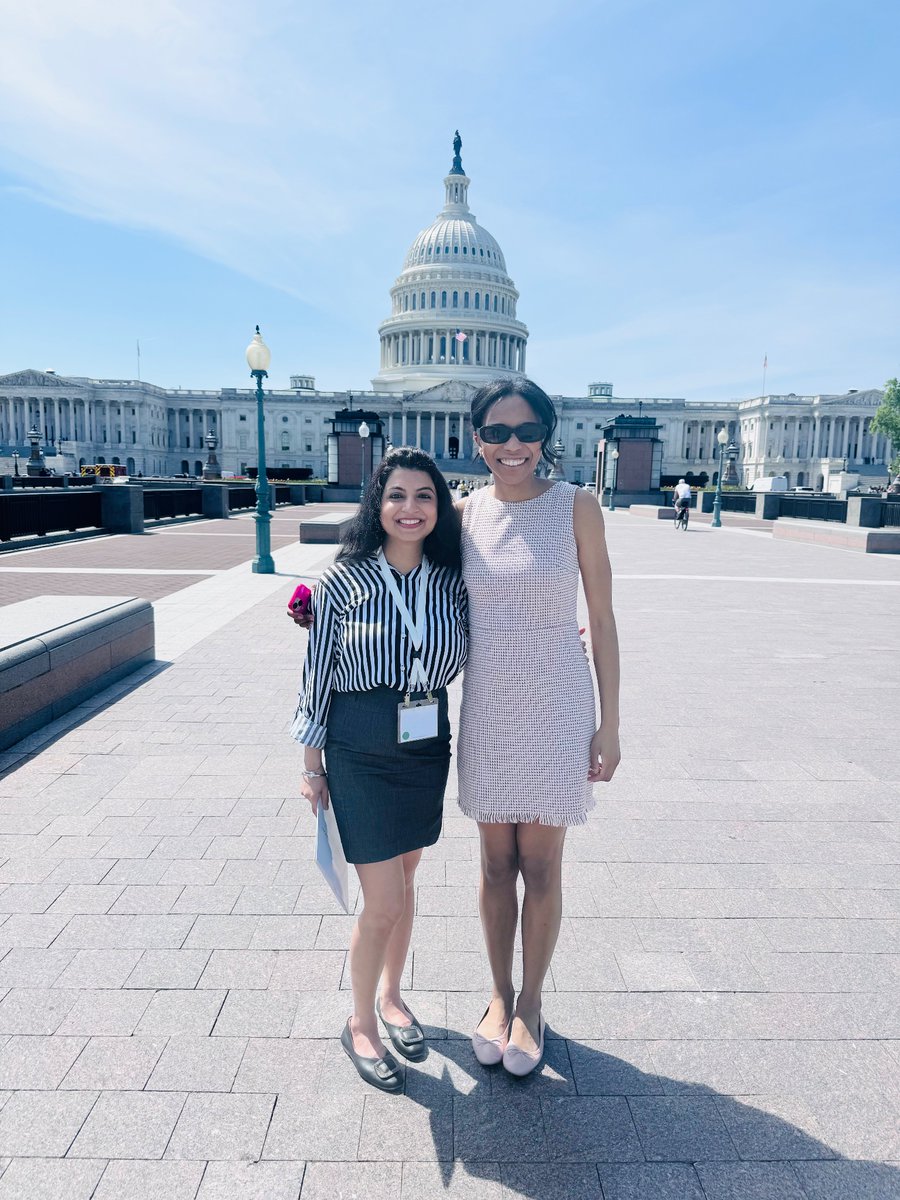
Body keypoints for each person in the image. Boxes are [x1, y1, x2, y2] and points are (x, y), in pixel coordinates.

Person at [292, 447, 468, 1092]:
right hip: (359, 744)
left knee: (408, 874)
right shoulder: (343, 583)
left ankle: (393, 997)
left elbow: (491, 641)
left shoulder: (453, 581)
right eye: (397, 495)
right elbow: (316, 678)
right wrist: (312, 765)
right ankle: (359, 1021)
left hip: (425, 743)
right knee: (382, 900)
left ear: (439, 507)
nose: (410, 508)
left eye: (425, 496)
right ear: (378, 504)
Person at [458, 377, 620, 1077]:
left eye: (526, 431)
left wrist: (611, 722)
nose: (512, 445)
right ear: (477, 440)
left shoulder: (578, 506)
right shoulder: (462, 514)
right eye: (497, 432)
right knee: (495, 863)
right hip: (490, 703)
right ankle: (496, 994)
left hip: (556, 701)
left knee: (542, 863)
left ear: (545, 436)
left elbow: (604, 617)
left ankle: (532, 1001)